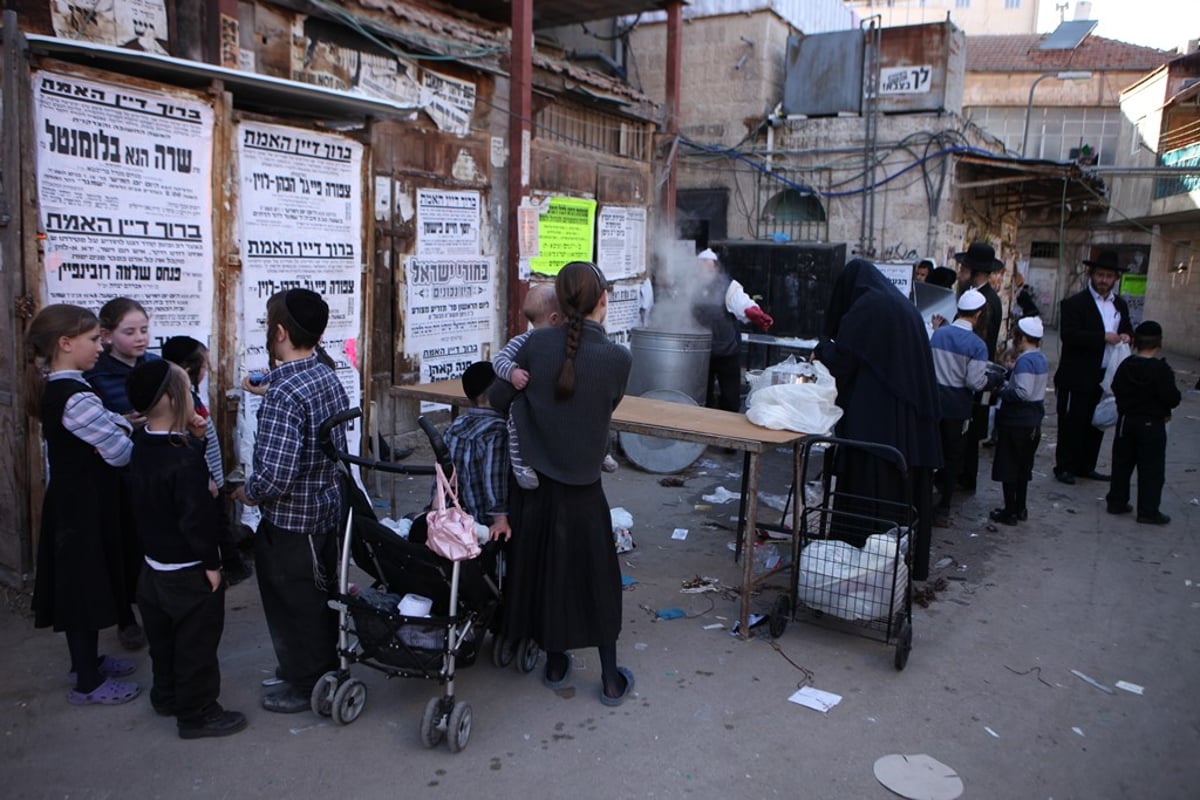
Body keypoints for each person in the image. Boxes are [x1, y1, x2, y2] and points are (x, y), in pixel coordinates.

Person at [489, 261, 635, 706]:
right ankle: (610, 679)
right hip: (586, 490)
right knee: (597, 581)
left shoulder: (535, 344)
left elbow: (498, 399)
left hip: (536, 491)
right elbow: (605, 404)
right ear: (603, 300)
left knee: (545, 574)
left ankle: (555, 664)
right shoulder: (617, 358)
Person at [232, 289, 349, 713]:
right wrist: (269, 386)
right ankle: (319, 666)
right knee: (319, 596)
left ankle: (305, 683)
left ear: (279, 331)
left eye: (268, 325)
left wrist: (250, 491)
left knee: (291, 604)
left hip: (290, 521)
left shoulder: (285, 394)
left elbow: (276, 475)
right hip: (326, 509)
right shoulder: (325, 373)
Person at [124, 360, 247, 738]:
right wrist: (213, 563)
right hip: (190, 571)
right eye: (189, 390)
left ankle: (167, 696)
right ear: (174, 399)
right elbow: (197, 520)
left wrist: (196, 440)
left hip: (153, 569)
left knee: (162, 641)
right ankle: (198, 713)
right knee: (196, 647)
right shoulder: (184, 458)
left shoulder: (143, 443)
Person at [26, 304, 140, 706]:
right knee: (83, 590)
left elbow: (115, 425)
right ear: (65, 343)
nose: (100, 345)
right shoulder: (72, 396)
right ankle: (87, 683)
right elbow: (120, 449)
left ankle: (87, 662)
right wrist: (122, 429)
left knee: (88, 583)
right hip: (81, 507)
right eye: (93, 339)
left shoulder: (74, 387)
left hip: (84, 501)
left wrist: (119, 425)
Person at [814, 259, 942, 581]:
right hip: (906, 422)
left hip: (876, 422)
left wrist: (820, 351)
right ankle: (893, 568)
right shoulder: (897, 304)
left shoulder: (868, 307)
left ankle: (856, 563)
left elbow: (844, 361)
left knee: (867, 492)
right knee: (898, 496)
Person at [84, 296, 157, 651]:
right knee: (120, 546)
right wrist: (122, 423)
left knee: (154, 544)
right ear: (108, 336)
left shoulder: (157, 366)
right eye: (130, 331)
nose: (140, 338)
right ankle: (126, 619)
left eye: (144, 329)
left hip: (156, 472)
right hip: (116, 477)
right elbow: (90, 425)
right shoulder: (95, 376)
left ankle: (155, 609)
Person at [162, 336, 253, 584]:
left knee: (219, 521)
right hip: (203, 475)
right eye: (204, 367)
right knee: (213, 524)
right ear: (190, 369)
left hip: (209, 471)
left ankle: (231, 564)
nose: (206, 372)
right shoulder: (179, 401)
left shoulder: (189, 394)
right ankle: (225, 568)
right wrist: (209, 477)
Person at [1053, 250, 1133, 485]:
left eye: (1109, 276)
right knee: (1072, 422)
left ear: (1115, 278)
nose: (1104, 280)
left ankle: (1086, 466)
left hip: (1105, 374)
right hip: (1077, 374)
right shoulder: (1075, 303)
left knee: (1096, 422)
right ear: (1091, 274)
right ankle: (1065, 467)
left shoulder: (1119, 304)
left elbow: (1127, 327)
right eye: (1100, 275)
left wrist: (1128, 335)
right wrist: (1102, 337)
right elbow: (1069, 335)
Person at [929, 289, 1000, 527]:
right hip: (957, 408)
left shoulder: (938, 335)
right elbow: (975, 381)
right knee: (952, 457)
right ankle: (943, 508)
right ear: (979, 315)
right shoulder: (977, 345)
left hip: (933, 403)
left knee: (929, 452)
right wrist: (994, 381)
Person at [1105, 321, 1181, 525]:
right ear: (1159, 343)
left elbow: (1115, 387)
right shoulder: (1161, 370)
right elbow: (1172, 398)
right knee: (1151, 469)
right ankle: (1148, 510)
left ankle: (1117, 501)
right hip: (1152, 425)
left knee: (1122, 464)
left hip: (1127, 422)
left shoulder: (1126, 365)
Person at [493, 284, 563, 490]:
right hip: (523, 400)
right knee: (516, 426)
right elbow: (498, 360)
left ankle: (602, 453)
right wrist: (513, 372)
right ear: (554, 318)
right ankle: (521, 466)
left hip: (548, 401)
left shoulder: (562, 342)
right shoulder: (523, 340)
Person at [692, 248, 773, 412]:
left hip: (727, 351)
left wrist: (754, 312)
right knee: (701, 397)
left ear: (714, 266)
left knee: (730, 397)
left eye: (707, 265)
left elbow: (742, 303)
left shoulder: (728, 286)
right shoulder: (692, 286)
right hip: (701, 353)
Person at [952, 243, 1004, 493]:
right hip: (973, 369)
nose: (960, 273)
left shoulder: (984, 302)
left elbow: (977, 341)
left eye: (964, 268)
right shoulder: (979, 296)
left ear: (975, 272)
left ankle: (964, 476)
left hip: (973, 372)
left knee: (970, 429)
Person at [441, 361, 511, 541]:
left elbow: (443, 476)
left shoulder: (455, 426)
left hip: (457, 518)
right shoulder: (496, 431)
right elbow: (492, 479)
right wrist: (500, 519)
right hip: (484, 523)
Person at [988, 317, 1049, 526]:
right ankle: (1020, 508)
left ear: (1021, 337)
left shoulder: (1026, 361)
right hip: (1032, 422)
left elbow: (1023, 392)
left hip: (1017, 422)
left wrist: (1001, 391)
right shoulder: (1040, 358)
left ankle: (1010, 511)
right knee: (1023, 468)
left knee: (1009, 468)